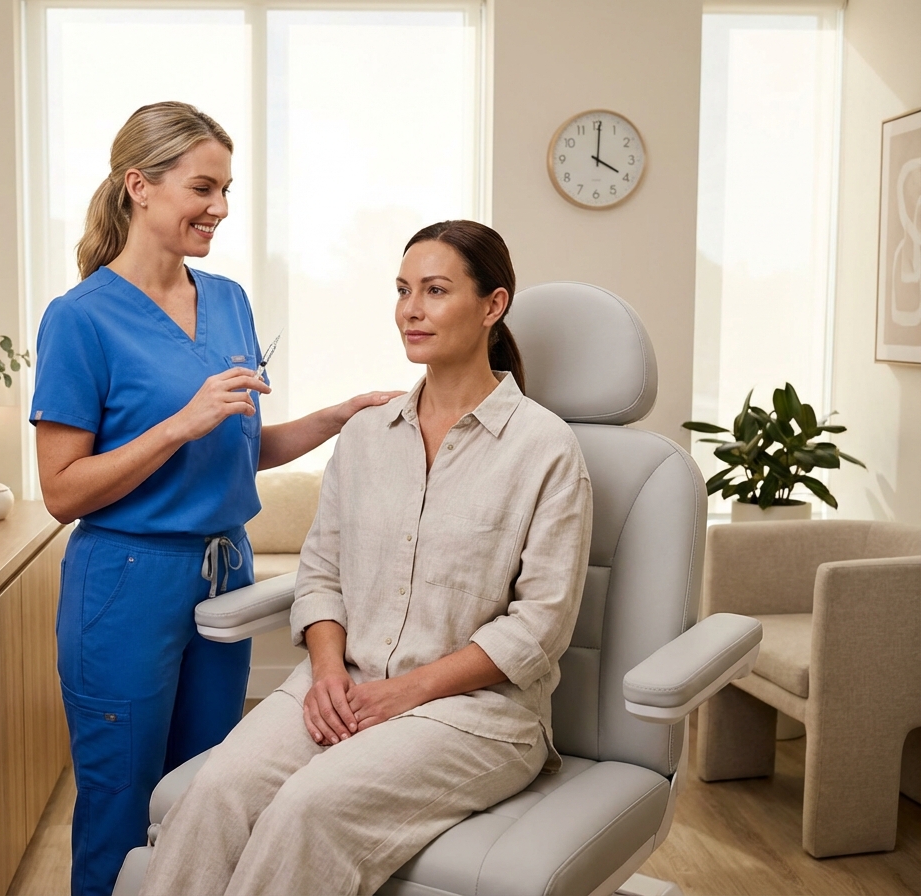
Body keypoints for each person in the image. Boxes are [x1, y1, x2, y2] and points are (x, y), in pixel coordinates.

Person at [140, 220, 594, 896]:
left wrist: (398, 695)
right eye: (404, 290)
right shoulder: (366, 437)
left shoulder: (545, 451)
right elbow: (321, 573)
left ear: (492, 306)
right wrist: (327, 672)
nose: (411, 309)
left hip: (474, 715)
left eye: (436, 291)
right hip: (344, 686)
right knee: (219, 790)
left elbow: (538, 630)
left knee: (305, 809)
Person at [30, 101, 395, 896]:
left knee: (206, 795)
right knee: (121, 804)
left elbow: (235, 450)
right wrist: (176, 425)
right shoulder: (79, 320)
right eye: (204, 188)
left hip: (225, 577)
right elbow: (61, 491)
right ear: (140, 187)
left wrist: (333, 420)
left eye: (227, 189)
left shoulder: (228, 299)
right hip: (127, 582)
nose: (220, 209)